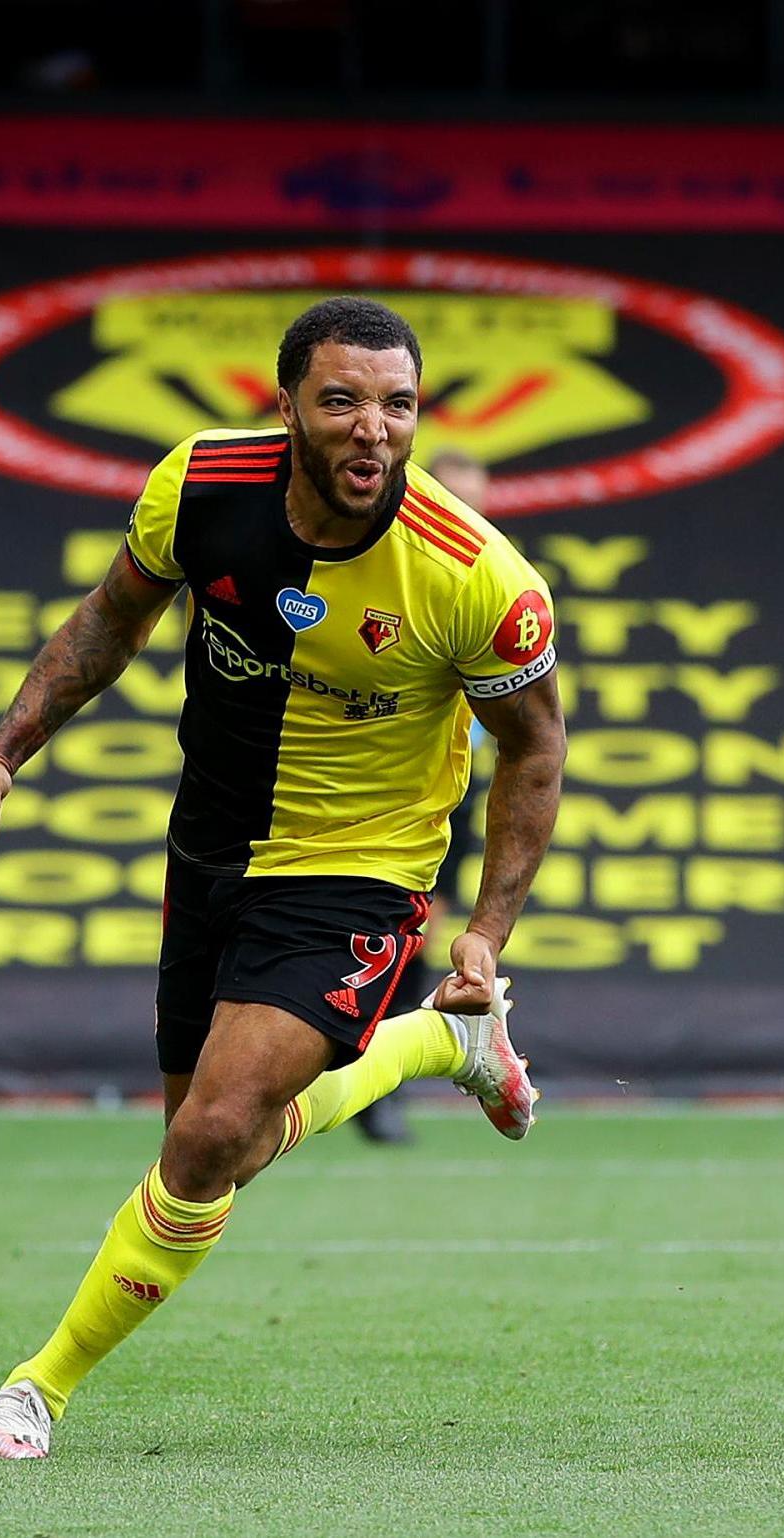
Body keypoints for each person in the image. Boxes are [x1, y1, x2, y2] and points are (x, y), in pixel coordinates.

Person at [0, 296, 567, 1460]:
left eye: (396, 405)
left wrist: (484, 931)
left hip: (361, 869)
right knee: (214, 1132)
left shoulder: (475, 573)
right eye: (340, 400)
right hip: (212, 845)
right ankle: (438, 1046)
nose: (371, 429)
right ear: (286, 409)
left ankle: (38, 1385)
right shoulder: (200, 484)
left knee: (208, 1134)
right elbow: (107, 623)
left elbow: (533, 748)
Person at [351, 445, 494, 1146]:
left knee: (411, 940)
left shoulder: (489, 579)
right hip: (373, 784)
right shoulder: (395, 569)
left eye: (477, 500)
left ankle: (380, 1084)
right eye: (453, 495)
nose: (465, 511)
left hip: (452, 789)